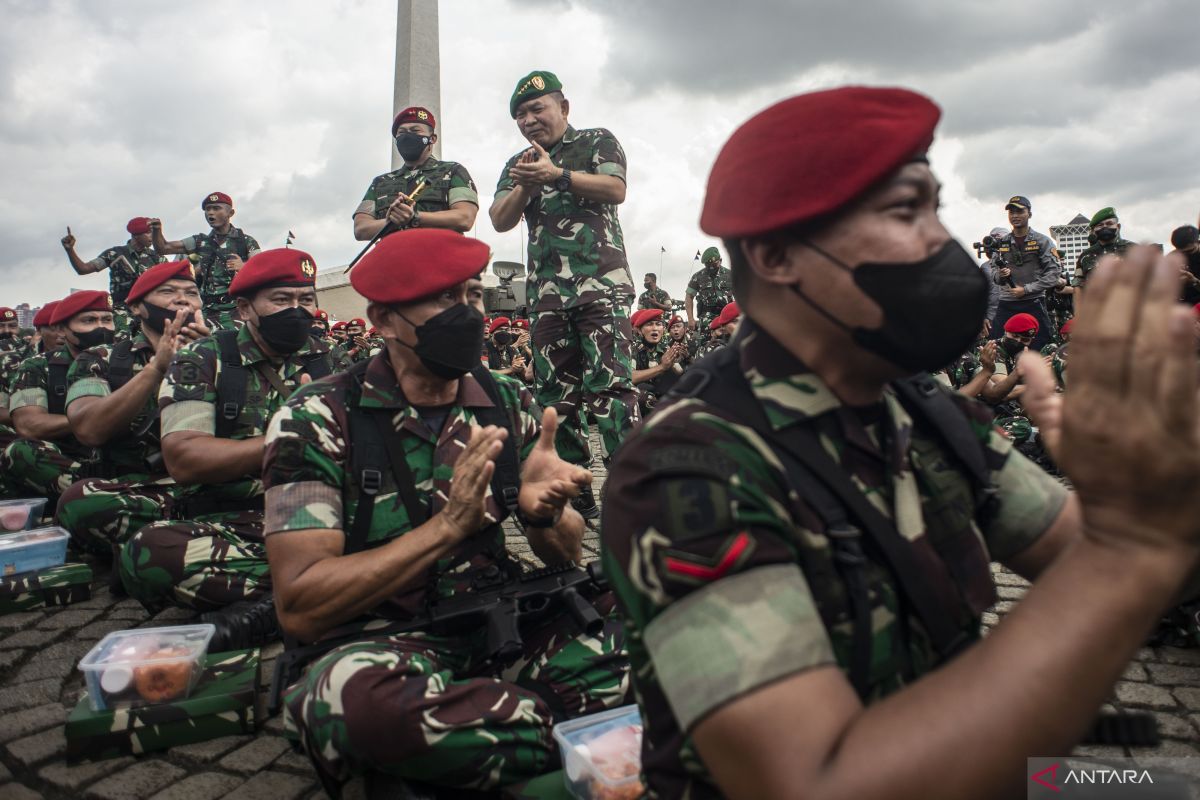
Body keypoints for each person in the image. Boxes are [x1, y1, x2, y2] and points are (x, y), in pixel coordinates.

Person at [600, 86, 1200, 799]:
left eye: (936, 208)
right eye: (904, 210)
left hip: (983, 762)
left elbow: (1100, 555)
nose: (940, 244)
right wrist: (1132, 547)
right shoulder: (688, 467)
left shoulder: (919, 408)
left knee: (1165, 791)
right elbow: (816, 780)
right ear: (776, 254)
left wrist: (1166, 490)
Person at [261, 229, 629, 795]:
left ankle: (483, 739)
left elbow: (563, 556)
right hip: (384, 639)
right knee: (351, 704)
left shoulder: (505, 398)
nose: (467, 313)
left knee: (661, 612)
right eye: (444, 299)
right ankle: (590, 732)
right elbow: (303, 607)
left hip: (502, 616)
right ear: (382, 321)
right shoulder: (316, 416)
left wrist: (545, 515)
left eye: (474, 295)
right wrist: (446, 529)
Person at [118, 249, 333, 648]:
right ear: (245, 308)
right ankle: (335, 588)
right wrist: (287, 434)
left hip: (323, 510)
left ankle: (290, 600)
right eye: (282, 300)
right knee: (151, 553)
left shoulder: (327, 358)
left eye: (306, 300)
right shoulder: (203, 358)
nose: (298, 311)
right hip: (241, 515)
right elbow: (185, 458)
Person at [489, 70, 639, 517]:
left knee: (611, 389)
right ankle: (577, 493)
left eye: (537, 109)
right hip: (547, 297)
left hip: (601, 290)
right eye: (520, 115)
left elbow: (615, 189)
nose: (529, 120)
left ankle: (634, 485)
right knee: (557, 398)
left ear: (563, 108)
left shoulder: (595, 141)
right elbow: (499, 219)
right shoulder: (517, 164)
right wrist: (528, 183)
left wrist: (556, 174)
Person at [56, 261, 210, 556]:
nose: (182, 299)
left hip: (222, 482)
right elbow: (89, 428)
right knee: (83, 503)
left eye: (191, 292)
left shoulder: (228, 350)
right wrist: (156, 370)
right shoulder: (100, 358)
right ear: (137, 307)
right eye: (168, 291)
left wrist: (212, 359)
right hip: (150, 487)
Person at [2, 291, 114, 500]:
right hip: (69, 458)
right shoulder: (37, 366)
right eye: (89, 320)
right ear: (63, 329)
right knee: (20, 451)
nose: (100, 327)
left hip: (122, 455)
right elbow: (29, 424)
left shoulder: (129, 361)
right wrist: (94, 419)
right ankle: (90, 492)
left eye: (107, 320)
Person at [352, 106, 479, 241]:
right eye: (402, 132)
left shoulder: (452, 171)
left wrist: (415, 217)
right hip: (394, 258)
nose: (407, 136)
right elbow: (360, 229)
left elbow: (465, 218)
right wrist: (392, 221)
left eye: (415, 131)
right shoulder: (380, 182)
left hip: (439, 256)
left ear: (432, 139)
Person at [150, 192, 262, 330]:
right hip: (207, 312)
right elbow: (164, 249)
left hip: (237, 311)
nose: (210, 213)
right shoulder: (200, 241)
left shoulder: (245, 241)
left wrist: (244, 266)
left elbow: (263, 270)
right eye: (207, 209)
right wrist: (156, 231)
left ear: (230, 213)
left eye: (216, 208)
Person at [61, 217, 165, 332]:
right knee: (122, 344)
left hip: (148, 310)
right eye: (148, 233)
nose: (152, 237)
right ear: (136, 235)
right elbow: (83, 269)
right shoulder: (114, 254)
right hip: (122, 312)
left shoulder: (157, 257)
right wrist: (70, 250)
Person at [987, 196, 1060, 352]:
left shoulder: (1043, 242)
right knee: (995, 347)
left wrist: (1026, 289)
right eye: (1011, 212)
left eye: (1020, 211)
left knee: (1042, 347)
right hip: (1007, 302)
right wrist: (1001, 275)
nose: (1015, 216)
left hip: (1034, 301)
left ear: (1029, 214)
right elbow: (993, 274)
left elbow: (1053, 274)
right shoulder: (1001, 243)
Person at [631, 309, 688, 417]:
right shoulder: (633, 348)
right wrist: (662, 367)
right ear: (639, 330)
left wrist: (680, 360)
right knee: (642, 396)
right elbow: (630, 377)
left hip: (660, 392)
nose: (655, 328)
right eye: (649, 324)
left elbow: (680, 373)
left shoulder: (665, 348)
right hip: (642, 394)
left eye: (658, 324)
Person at [1073, 206, 1135, 289]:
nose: (1105, 227)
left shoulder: (1135, 250)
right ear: (1094, 230)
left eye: (1109, 224)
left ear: (1118, 226)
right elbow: (1078, 285)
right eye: (1100, 225)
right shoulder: (1085, 256)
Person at [686, 247, 734, 335]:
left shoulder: (731, 275)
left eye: (714, 264)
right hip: (707, 319)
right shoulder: (698, 276)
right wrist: (690, 318)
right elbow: (689, 296)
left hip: (728, 316)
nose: (711, 267)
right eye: (708, 265)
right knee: (707, 345)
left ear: (720, 260)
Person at [1169, 224, 1200, 305]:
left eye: (1189, 251)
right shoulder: (1172, 257)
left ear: (1197, 241)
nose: (1184, 255)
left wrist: (1195, 282)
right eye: (1180, 252)